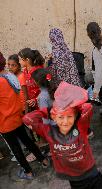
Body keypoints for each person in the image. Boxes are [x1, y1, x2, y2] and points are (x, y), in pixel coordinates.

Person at [23, 82, 102, 188]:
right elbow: (27, 118)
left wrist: (70, 105)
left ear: (75, 115)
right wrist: (49, 110)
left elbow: (88, 107)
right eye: (60, 117)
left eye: (69, 116)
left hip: (92, 173)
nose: (65, 121)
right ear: (53, 117)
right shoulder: (48, 131)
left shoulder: (81, 125)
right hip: (75, 180)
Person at [0, 52, 49, 180]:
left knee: (16, 149)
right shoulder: (10, 76)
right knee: (27, 140)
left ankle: (28, 172)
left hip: (5, 122)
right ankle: (43, 160)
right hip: (17, 117)